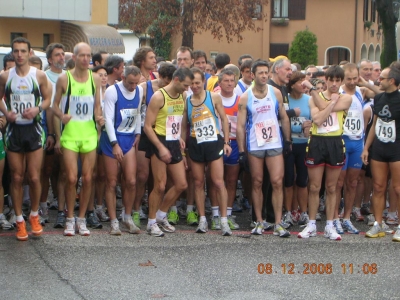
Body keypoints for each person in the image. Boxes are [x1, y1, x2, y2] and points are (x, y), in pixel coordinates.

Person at [0, 37, 51, 241]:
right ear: (12, 53)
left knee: (34, 177)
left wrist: (37, 109)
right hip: (14, 130)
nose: (19, 54)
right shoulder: (5, 76)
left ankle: (34, 215)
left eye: (23, 51)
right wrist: (6, 113)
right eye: (16, 51)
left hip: (34, 129)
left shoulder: (38, 75)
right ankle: (19, 220)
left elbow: (48, 99)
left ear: (30, 53)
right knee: (17, 177)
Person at [52, 42, 103, 236]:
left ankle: (82, 219)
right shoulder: (65, 79)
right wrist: (62, 116)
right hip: (71, 134)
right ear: (73, 57)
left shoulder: (95, 79)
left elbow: (97, 105)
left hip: (89, 133)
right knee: (72, 178)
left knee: (88, 178)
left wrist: (99, 118)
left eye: (88, 55)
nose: (85, 59)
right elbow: (54, 105)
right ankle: (69, 218)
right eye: (81, 55)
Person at [236, 60, 291, 237]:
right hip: (255, 144)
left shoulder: (275, 92)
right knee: (257, 182)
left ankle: (278, 223)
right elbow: (240, 125)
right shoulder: (246, 97)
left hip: (274, 143)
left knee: (277, 181)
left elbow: (283, 117)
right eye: (260, 73)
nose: (264, 76)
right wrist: (242, 151)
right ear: (252, 75)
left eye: (266, 72)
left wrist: (288, 140)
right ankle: (259, 221)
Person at [298, 65, 352, 241]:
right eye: (332, 80)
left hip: (335, 142)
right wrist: (332, 102)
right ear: (326, 80)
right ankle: (312, 224)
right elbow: (318, 119)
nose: (335, 84)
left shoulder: (347, 98)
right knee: (314, 186)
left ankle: (330, 224)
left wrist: (330, 103)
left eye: (338, 80)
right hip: (317, 142)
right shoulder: (314, 98)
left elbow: (322, 111)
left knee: (331, 187)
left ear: (341, 81)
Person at [143, 67, 192, 237]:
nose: (187, 88)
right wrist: (160, 147)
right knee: (160, 185)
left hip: (173, 140)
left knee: (181, 184)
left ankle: (161, 215)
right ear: (176, 80)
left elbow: (177, 120)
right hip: (159, 140)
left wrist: (179, 138)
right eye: (185, 85)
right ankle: (151, 223)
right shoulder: (158, 97)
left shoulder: (183, 96)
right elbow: (147, 126)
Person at [332, 63, 379, 235]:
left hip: (357, 142)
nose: (352, 82)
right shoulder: (339, 93)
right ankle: (335, 217)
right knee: (338, 183)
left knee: (352, 182)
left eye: (354, 78)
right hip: (342, 140)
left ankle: (346, 218)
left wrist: (365, 83)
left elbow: (381, 94)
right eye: (348, 79)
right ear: (343, 78)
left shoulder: (361, 91)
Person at [186, 67, 232, 236]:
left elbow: (224, 120)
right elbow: (185, 123)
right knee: (198, 182)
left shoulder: (213, 97)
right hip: (196, 142)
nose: (195, 86)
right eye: (191, 83)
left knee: (218, 182)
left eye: (197, 82)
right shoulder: (187, 100)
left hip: (213, 141)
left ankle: (224, 221)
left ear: (203, 82)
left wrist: (226, 142)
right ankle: (202, 219)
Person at [100, 66, 142, 235]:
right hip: (113, 139)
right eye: (130, 82)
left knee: (131, 181)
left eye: (136, 83)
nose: (133, 86)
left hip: (129, 138)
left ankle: (127, 216)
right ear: (123, 77)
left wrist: (138, 132)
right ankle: (113, 221)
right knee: (111, 181)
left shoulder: (138, 90)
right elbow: (108, 119)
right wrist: (114, 143)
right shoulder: (112, 91)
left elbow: (137, 113)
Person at [361, 66, 400, 241]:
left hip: (397, 149)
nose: (379, 81)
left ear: (392, 81)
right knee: (378, 187)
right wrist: (366, 148)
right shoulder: (378, 98)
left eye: (382, 78)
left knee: (398, 188)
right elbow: (374, 126)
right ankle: (378, 224)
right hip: (379, 148)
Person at [135, 63, 176, 228]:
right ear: (161, 77)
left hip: (163, 135)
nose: (168, 85)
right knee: (142, 175)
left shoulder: (175, 91)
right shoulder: (144, 87)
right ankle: (135, 210)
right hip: (145, 134)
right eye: (166, 81)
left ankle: (156, 211)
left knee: (158, 179)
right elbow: (136, 109)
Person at [285, 72, 311, 225]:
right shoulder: (286, 100)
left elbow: (315, 120)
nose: (303, 84)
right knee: (288, 180)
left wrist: (310, 127)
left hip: (304, 144)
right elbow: (282, 120)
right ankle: (288, 212)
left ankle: (303, 211)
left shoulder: (309, 100)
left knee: (302, 180)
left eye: (304, 81)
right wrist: (298, 126)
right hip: (290, 144)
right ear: (292, 84)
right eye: (299, 81)